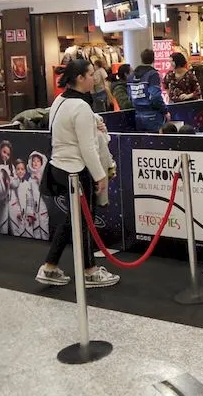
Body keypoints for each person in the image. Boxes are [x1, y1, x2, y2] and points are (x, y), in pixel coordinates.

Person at [35, 59, 119, 288]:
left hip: (58, 167)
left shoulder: (60, 101)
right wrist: (100, 175)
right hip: (77, 170)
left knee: (72, 220)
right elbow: (87, 147)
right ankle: (90, 271)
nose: (94, 78)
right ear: (80, 78)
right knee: (85, 222)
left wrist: (95, 124)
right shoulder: (80, 106)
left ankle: (50, 266)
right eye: (90, 74)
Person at [128, 49, 170, 132]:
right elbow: (155, 96)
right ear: (153, 59)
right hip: (153, 115)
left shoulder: (131, 76)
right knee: (156, 139)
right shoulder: (153, 74)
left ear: (141, 59)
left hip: (138, 115)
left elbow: (130, 96)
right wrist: (165, 111)